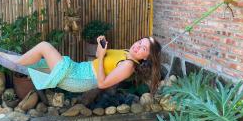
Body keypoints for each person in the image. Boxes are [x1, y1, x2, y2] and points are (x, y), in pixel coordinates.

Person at [14, 36, 162, 93]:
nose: (138, 46)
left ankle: (14, 62)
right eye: (140, 42)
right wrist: (100, 46)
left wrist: (102, 55)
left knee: (44, 46)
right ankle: (12, 59)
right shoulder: (125, 52)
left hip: (80, 79)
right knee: (38, 63)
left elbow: (102, 84)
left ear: (146, 57)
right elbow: (99, 56)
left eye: (144, 48)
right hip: (79, 69)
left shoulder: (129, 65)